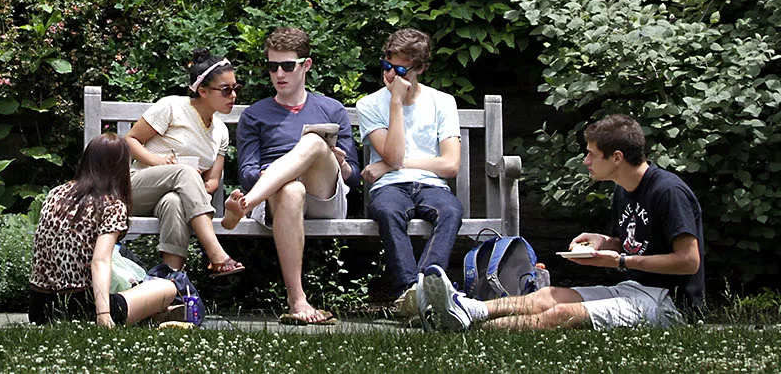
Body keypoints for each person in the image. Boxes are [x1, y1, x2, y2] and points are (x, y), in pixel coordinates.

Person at [420, 113, 704, 331]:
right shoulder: (623, 190)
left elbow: (688, 261)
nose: (585, 160)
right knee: (547, 296)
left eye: (591, 153)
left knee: (558, 315)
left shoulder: (668, 191)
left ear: (617, 157)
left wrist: (619, 262)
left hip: (672, 303)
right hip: (633, 287)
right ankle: (469, 311)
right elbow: (631, 244)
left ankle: (464, 327)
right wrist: (602, 243)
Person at [220, 26, 360, 324]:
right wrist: (276, 174)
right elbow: (246, 172)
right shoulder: (255, 115)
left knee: (313, 142)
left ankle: (243, 205)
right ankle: (297, 299)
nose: (279, 74)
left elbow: (353, 177)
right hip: (277, 197)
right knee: (290, 188)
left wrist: (341, 164)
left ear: (306, 65)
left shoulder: (331, 109)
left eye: (287, 66)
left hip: (324, 192)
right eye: (272, 67)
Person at [355, 28, 463, 314]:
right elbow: (394, 153)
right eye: (387, 66)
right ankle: (410, 294)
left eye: (401, 69)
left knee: (450, 211)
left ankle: (422, 289)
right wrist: (395, 103)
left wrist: (388, 164)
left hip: (432, 185)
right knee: (389, 212)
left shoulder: (443, 102)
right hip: (389, 187)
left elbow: (450, 165)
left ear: (421, 68)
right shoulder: (369, 104)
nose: (391, 75)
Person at [28, 132, 180, 326]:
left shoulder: (55, 193)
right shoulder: (111, 205)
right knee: (166, 288)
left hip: (40, 309)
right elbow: (100, 261)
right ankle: (154, 314)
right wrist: (103, 315)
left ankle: (152, 314)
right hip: (82, 308)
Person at [124, 48, 246, 277]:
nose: (233, 96)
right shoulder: (172, 107)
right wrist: (159, 162)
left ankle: (170, 286)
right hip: (136, 188)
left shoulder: (220, 131)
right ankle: (216, 255)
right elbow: (130, 140)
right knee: (183, 173)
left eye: (236, 88)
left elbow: (212, 182)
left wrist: (194, 182)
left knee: (174, 203)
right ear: (202, 90)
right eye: (226, 90)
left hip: (174, 194)